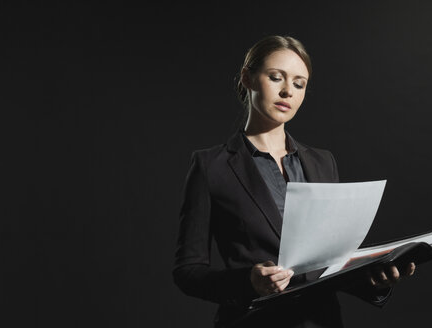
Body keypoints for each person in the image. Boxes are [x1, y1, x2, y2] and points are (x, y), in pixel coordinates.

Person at [173, 35, 416, 328]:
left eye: (299, 84)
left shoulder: (322, 162)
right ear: (247, 78)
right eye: (276, 78)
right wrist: (248, 281)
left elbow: (328, 265)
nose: (288, 91)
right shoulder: (210, 166)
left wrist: (375, 281)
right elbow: (187, 271)